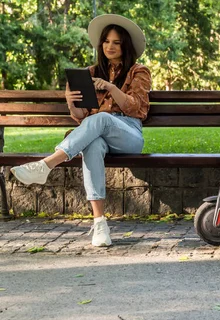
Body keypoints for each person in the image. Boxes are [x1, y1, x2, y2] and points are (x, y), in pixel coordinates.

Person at [11, 14, 151, 248]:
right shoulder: (89, 72)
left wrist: (110, 87)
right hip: (98, 132)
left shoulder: (139, 71)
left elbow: (137, 109)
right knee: (92, 144)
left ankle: (47, 164)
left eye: (116, 42)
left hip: (128, 133)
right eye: (106, 41)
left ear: (125, 45)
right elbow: (83, 119)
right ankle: (100, 225)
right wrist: (71, 103)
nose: (110, 46)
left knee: (103, 119)